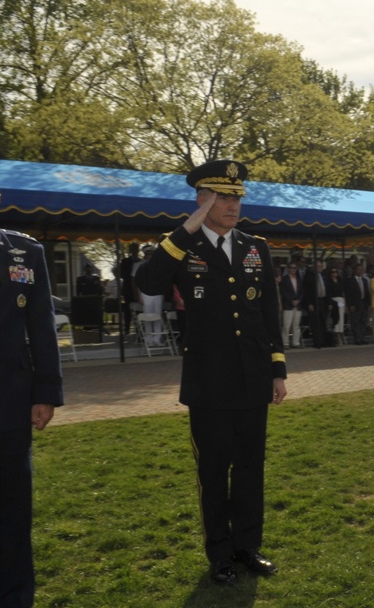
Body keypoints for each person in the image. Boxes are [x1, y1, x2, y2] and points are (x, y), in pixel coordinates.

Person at [135, 159, 287, 585]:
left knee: (250, 466)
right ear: (202, 200)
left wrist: (278, 369)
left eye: (238, 196)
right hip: (209, 380)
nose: (234, 204)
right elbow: (149, 281)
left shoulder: (255, 247)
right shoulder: (183, 246)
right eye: (223, 196)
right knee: (214, 469)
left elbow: (267, 314)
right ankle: (219, 552)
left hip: (253, 376)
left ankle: (248, 546)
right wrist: (185, 230)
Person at [0, 149, 62, 608]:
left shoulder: (26, 252)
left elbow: (42, 327)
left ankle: (13, 603)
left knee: (13, 508)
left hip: (11, 401)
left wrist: (46, 392)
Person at [303, 260, 329, 348]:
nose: (320, 268)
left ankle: (323, 341)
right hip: (314, 302)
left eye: (321, 266)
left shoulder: (323, 276)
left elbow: (327, 289)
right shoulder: (309, 277)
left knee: (323, 322)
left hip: (323, 301)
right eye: (318, 266)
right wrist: (309, 303)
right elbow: (307, 291)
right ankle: (317, 342)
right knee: (315, 323)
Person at [279, 262, 304, 348]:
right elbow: (283, 292)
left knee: (296, 325)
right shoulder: (284, 279)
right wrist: (291, 300)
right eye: (292, 268)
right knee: (286, 325)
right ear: (288, 268)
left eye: (295, 268)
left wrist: (298, 300)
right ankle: (285, 343)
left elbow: (302, 292)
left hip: (297, 305)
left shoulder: (299, 279)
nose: (293, 270)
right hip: (288, 305)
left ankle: (295, 342)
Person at [345, 263, 370, 345]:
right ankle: (357, 339)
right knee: (355, 322)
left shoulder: (365, 281)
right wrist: (350, 305)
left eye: (362, 269)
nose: (360, 271)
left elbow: (367, 293)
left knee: (363, 321)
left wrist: (368, 304)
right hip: (355, 305)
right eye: (359, 269)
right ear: (355, 270)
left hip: (363, 303)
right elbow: (348, 294)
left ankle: (363, 338)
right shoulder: (350, 281)